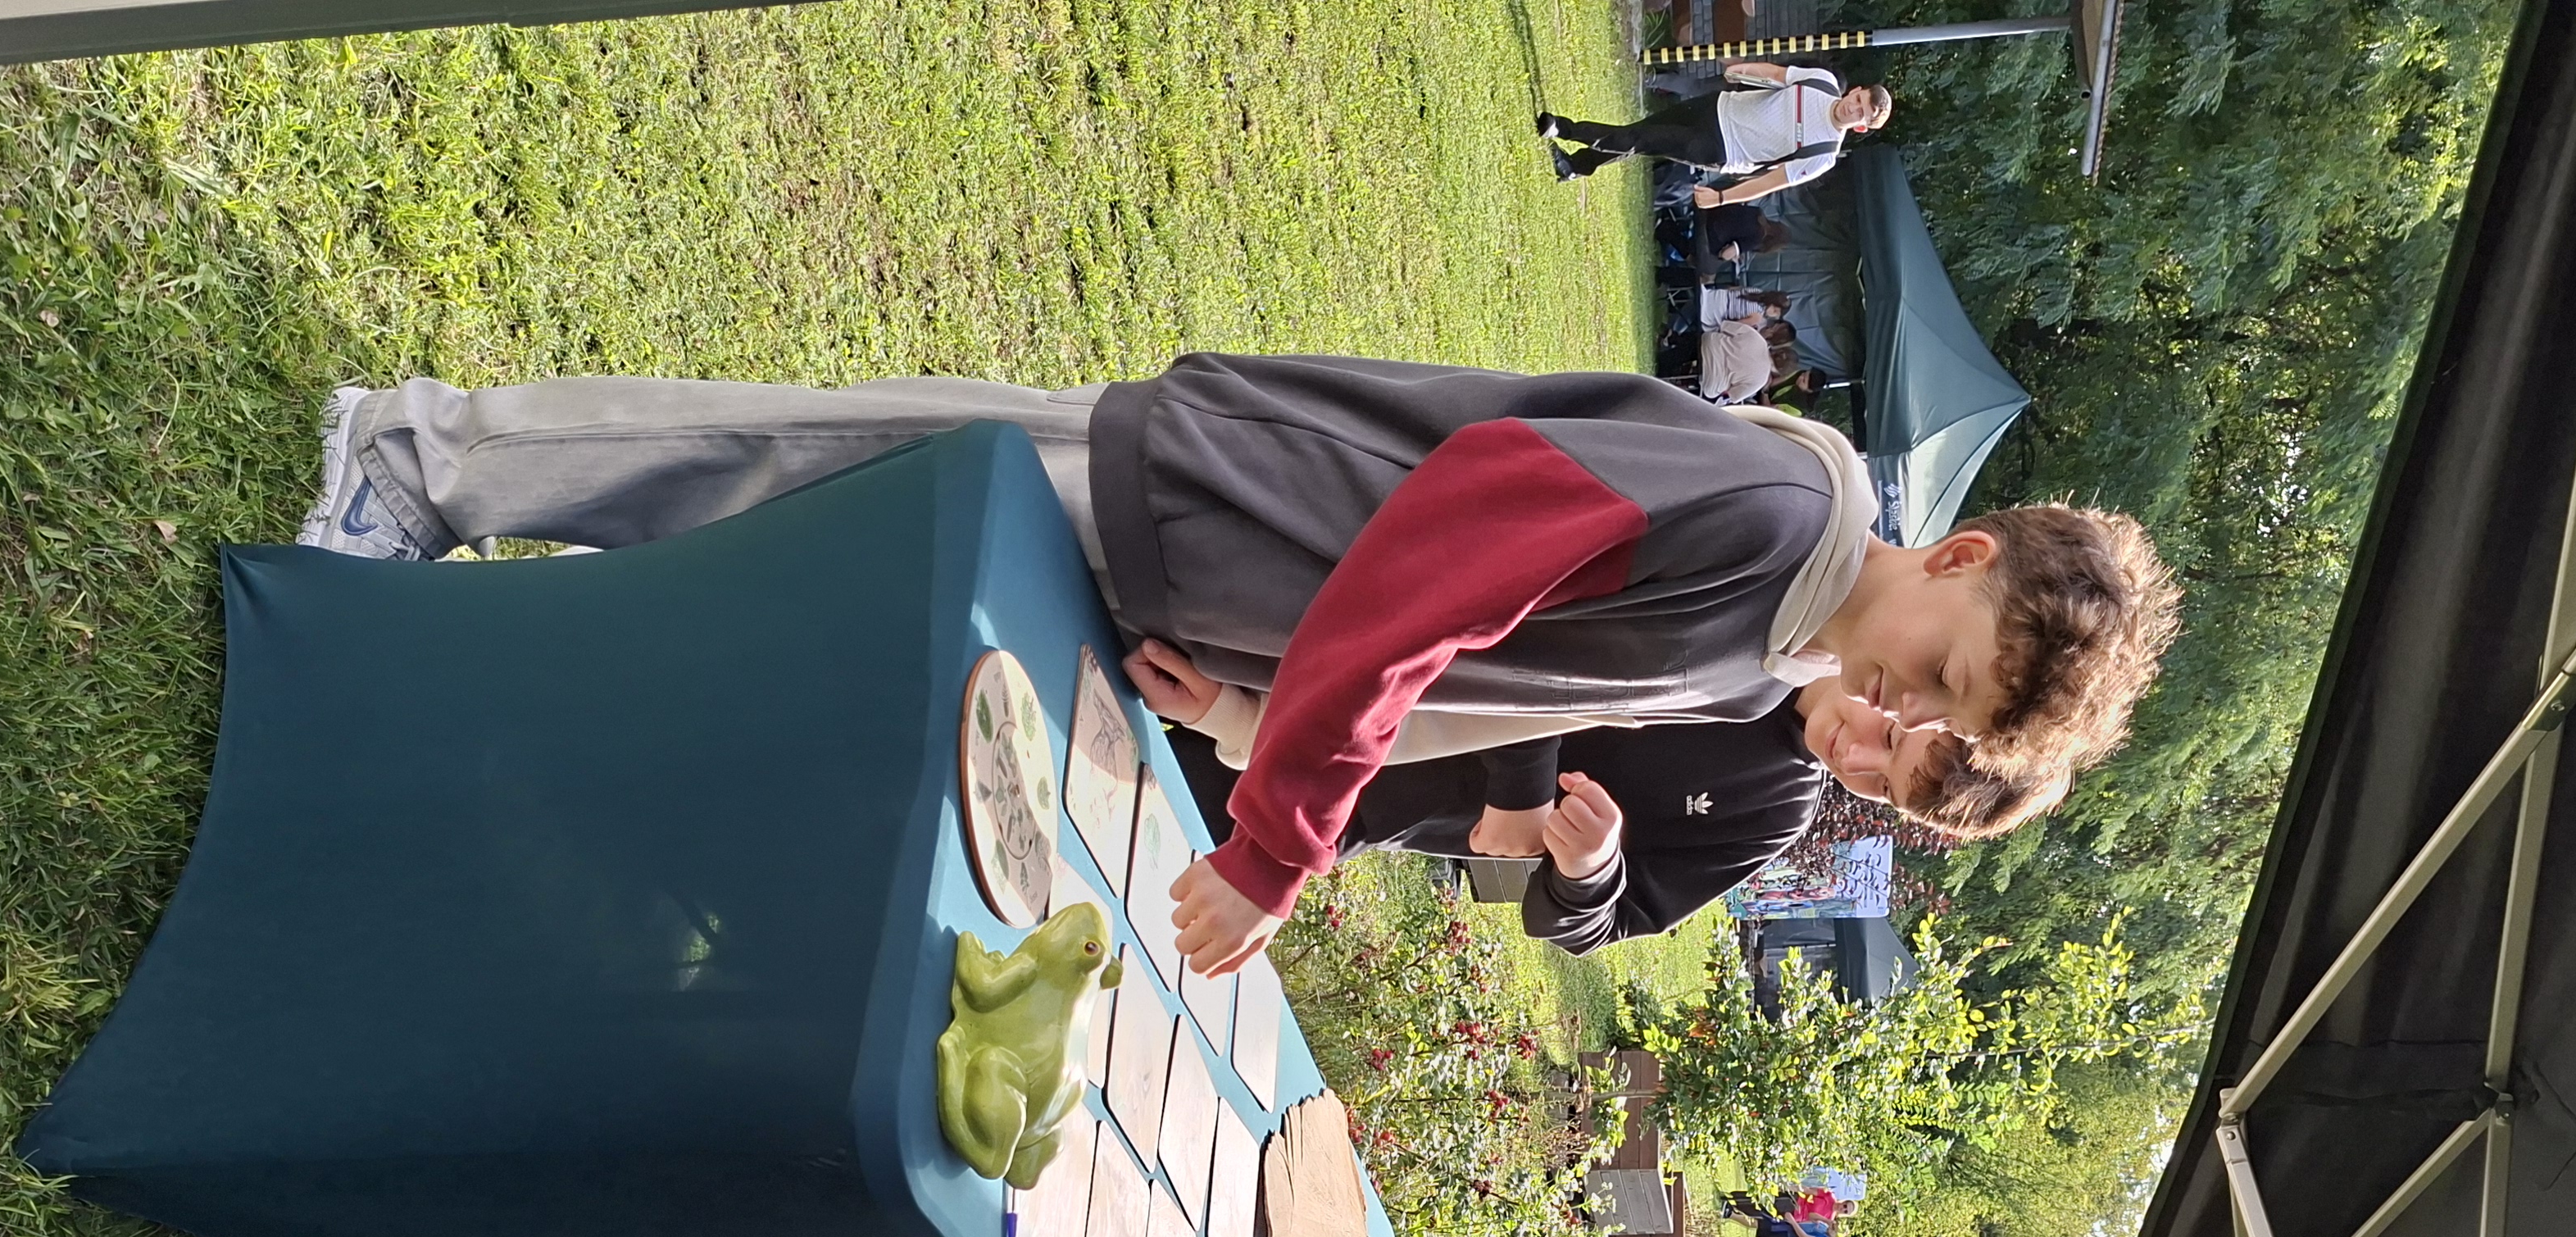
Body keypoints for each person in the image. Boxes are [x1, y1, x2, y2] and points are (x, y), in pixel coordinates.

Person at [293, 355, 2172, 976]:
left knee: (813, 576)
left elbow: (1487, 688)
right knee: (789, 465)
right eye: (1954, 664)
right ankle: (416, 456)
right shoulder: (1775, 515)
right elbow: (1440, 560)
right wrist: (1279, 830)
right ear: (1960, 551)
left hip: (1210, 598)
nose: (1915, 711)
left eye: (1948, 724)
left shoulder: (1757, 657)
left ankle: (446, 629)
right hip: (1202, 494)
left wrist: (1255, 719)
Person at [1135, 648, 1991, 952]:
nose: (1858, 757)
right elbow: (1542, 636)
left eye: (1879, 788)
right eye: (1890, 735)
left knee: (1101, 843)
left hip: (1333, 811)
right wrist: (1521, 785)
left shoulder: (1771, 814)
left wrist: (1589, 870)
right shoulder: (1758, 636)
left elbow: (1589, 928)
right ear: (1915, 697)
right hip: (1289, 665)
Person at [1544, 65, 1892, 198]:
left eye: (1861, 114)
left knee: (1640, 141)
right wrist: (1742, 69)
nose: (1854, 108)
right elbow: (1778, 75)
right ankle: (1578, 166)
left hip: (1722, 149)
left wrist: (1724, 196)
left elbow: (1769, 183)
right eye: (1859, 99)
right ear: (1855, 90)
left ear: (1860, 126)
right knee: (1640, 132)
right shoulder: (1824, 81)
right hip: (1718, 107)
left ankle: (1562, 128)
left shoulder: (1823, 155)